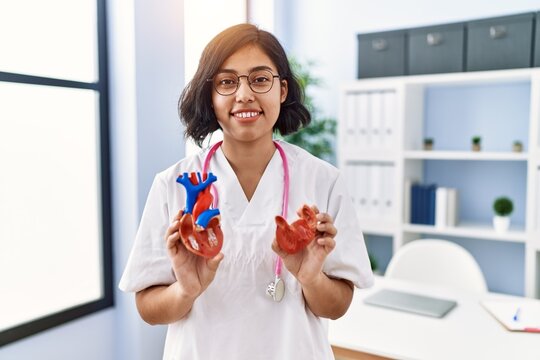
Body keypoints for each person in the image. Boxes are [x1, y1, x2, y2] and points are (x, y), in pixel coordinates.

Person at [119, 23, 373, 359]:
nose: (244, 95)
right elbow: (149, 307)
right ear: (210, 96)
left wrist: (311, 278)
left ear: (282, 89)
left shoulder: (323, 180)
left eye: (260, 79)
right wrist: (186, 290)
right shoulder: (174, 184)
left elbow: (337, 305)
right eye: (226, 82)